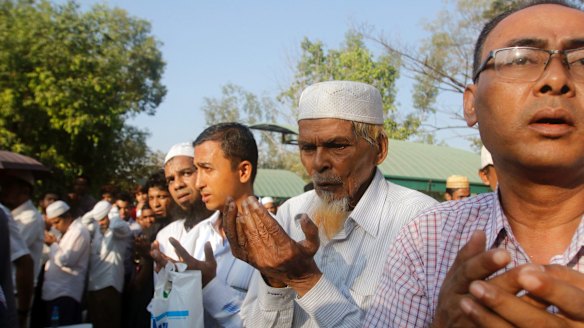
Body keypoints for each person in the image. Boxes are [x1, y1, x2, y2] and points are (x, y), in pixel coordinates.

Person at [364, 2, 584, 326]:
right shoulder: (428, 239)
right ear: (471, 103)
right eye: (520, 59)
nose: (555, 78)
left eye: (582, 61)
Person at [221, 81, 437, 327]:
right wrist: (276, 281)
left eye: (337, 146)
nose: (318, 163)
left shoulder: (421, 222)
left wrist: (305, 280)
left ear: (379, 148)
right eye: (307, 148)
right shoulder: (290, 214)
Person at [152, 131, 256, 327]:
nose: (198, 183)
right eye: (170, 180)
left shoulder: (279, 240)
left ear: (243, 171)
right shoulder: (196, 236)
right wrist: (172, 280)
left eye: (206, 169)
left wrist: (208, 284)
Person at [0, 170, 44, 327]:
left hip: (17, 293)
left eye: (8, 186)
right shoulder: (10, 214)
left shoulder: (30, 217)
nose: (3, 190)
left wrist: (22, 313)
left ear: (24, 191)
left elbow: (21, 260)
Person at [83, 200, 130, 328]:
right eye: (98, 219)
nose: (100, 222)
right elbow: (84, 222)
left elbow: (120, 227)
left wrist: (112, 213)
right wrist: (98, 211)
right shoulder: (97, 230)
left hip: (110, 285)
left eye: (103, 218)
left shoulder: (119, 230)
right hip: (93, 286)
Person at [42, 200, 90, 326]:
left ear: (68, 217)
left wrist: (52, 245)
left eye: (57, 222)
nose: (55, 227)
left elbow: (66, 260)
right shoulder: (66, 232)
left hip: (65, 293)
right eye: (53, 224)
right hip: (54, 292)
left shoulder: (78, 231)